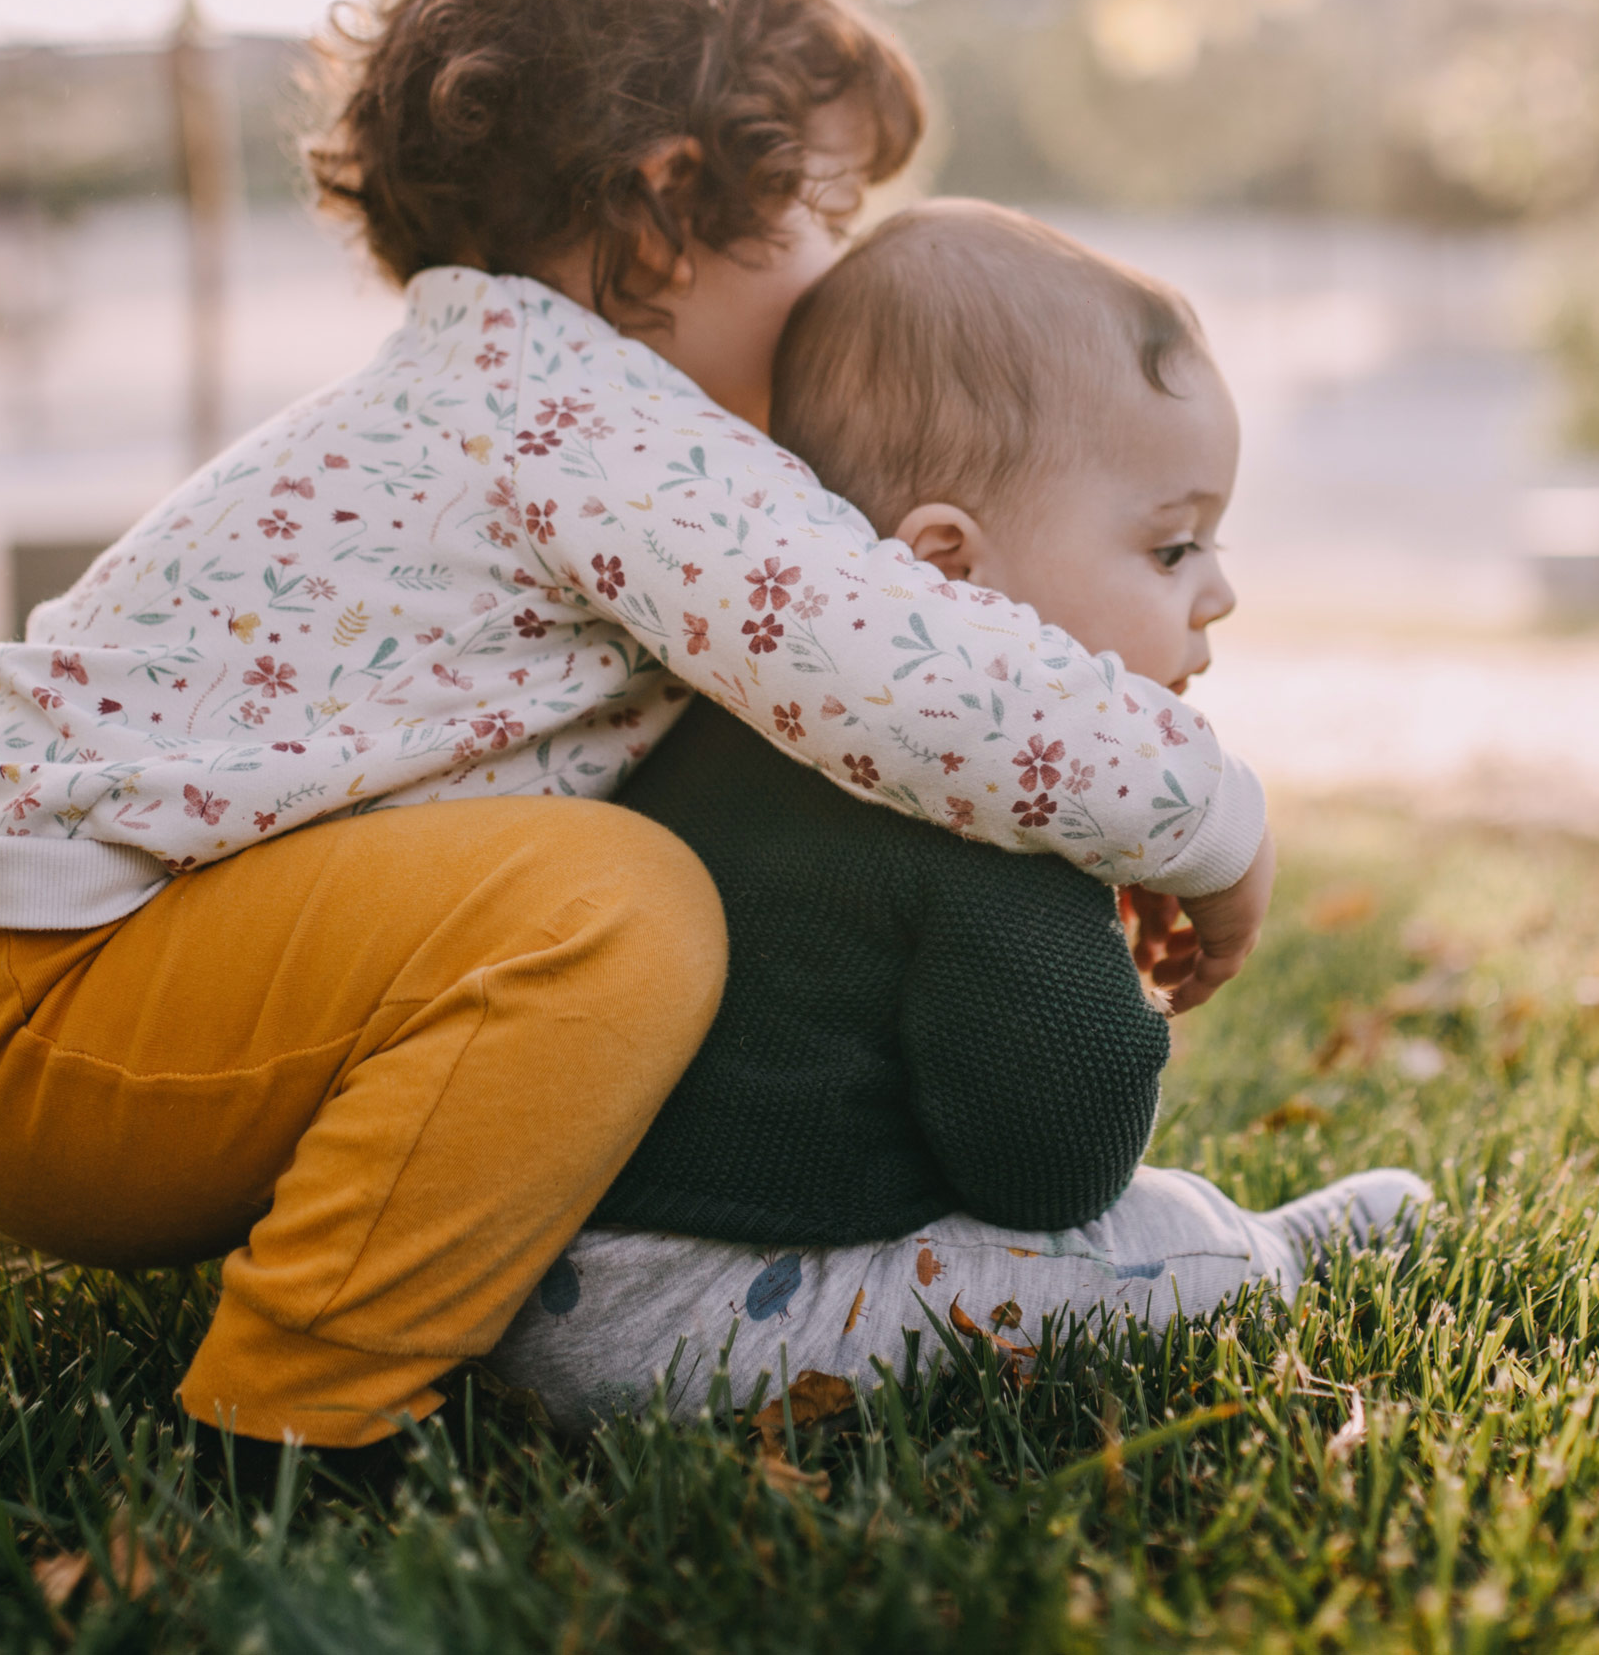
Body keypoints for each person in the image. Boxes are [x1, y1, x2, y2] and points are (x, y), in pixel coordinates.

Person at [0, 0, 1280, 1476]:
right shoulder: (583, 417)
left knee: (588, 900)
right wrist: (1205, 819)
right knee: (611, 903)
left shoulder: (492, 392)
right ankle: (295, 1417)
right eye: (824, 212)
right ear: (667, 209)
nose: (842, 278)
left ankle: (412, 1289)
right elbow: (919, 674)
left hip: (52, 989)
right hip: (60, 1005)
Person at [485, 202, 1428, 1432]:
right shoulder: (983, 823)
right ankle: (1265, 1256)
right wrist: (1102, 983)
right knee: (1140, 1239)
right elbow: (1055, 1168)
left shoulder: (727, 715)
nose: (1222, 592)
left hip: (513, 1270)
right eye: (1172, 545)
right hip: (692, 1317)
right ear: (945, 568)